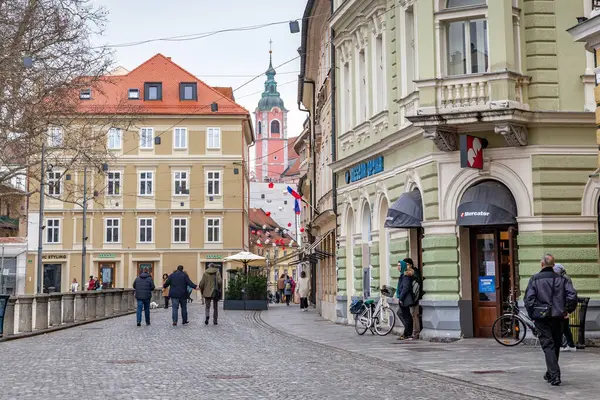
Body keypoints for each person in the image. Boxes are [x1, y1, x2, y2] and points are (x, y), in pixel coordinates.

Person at [524, 254, 577, 386]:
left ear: (542, 264)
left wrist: (533, 315)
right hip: (558, 317)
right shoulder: (562, 279)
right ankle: (550, 373)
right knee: (555, 345)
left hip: (541, 317)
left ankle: (554, 375)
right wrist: (567, 310)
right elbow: (572, 296)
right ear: (553, 265)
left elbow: (529, 300)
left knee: (548, 346)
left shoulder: (534, 279)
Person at [554, 264, 577, 352]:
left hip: (562, 306)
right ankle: (569, 345)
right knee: (564, 327)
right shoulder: (564, 278)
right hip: (562, 306)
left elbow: (569, 295)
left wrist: (567, 309)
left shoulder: (564, 279)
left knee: (562, 327)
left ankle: (566, 345)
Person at [396, 260, 415, 340]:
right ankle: (407, 332)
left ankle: (407, 333)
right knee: (405, 315)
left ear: (403, 266)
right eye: (398, 265)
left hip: (405, 299)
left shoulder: (405, 276)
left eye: (400, 265)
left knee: (406, 316)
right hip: (404, 298)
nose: (398, 267)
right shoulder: (403, 275)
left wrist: (401, 298)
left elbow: (405, 288)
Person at [404, 257, 423, 339]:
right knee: (412, 315)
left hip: (415, 297)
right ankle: (413, 331)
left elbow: (416, 284)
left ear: (411, 264)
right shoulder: (408, 272)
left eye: (407, 264)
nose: (406, 266)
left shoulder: (413, 272)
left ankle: (416, 332)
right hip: (411, 297)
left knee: (414, 315)